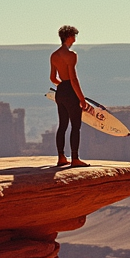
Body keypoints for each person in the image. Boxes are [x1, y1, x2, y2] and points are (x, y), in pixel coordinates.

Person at [50, 25, 89, 167]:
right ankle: (75, 159)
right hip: (70, 91)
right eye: (74, 36)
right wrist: (82, 98)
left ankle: (61, 157)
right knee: (75, 125)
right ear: (69, 37)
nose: (75, 38)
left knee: (62, 125)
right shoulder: (71, 55)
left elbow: (53, 78)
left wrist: (63, 87)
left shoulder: (54, 55)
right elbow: (73, 79)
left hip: (60, 92)